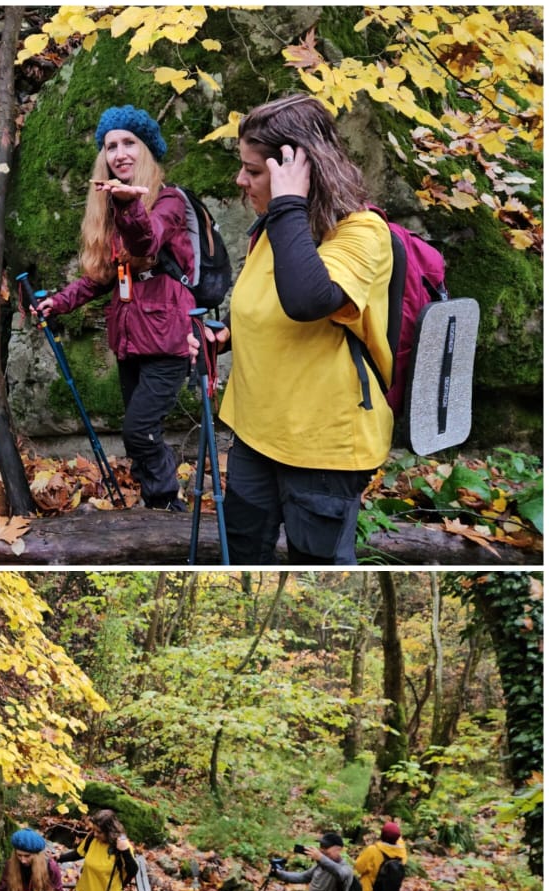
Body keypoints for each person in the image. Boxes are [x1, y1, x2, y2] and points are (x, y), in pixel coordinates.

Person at [199, 94, 393, 564]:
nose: (240, 180)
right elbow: (269, 306)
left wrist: (287, 204)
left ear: (300, 171)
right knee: (242, 549)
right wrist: (228, 335)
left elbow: (308, 300)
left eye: (255, 170)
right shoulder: (274, 227)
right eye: (242, 166)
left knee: (318, 561)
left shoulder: (362, 232)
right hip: (254, 432)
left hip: (322, 445)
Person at [33, 106, 193, 511]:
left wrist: (128, 206)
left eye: (129, 143)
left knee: (139, 431)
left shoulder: (169, 201)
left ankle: (165, 506)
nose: (119, 153)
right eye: (110, 146)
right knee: (139, 430)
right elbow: (102, 276)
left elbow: (147, 244)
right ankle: (156, 502)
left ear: (147, 150)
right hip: (131, 339)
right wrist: (59, 302)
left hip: (168, 339)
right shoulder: (111, 206)